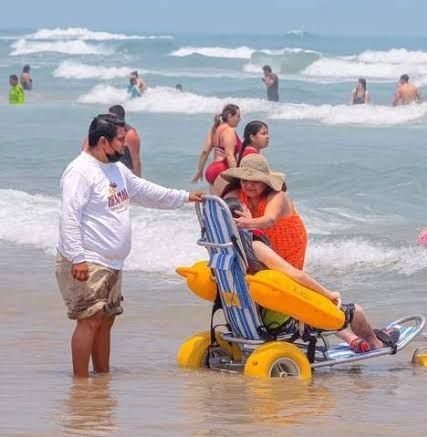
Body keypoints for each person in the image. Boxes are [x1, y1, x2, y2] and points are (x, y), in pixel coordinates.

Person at [56, 114, 203, 378]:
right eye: (121, 141)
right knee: (89, 320)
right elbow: (69, 216)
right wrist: (77, 258)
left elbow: (145, 191)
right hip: (87, 259)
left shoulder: (116, 169)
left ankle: (101, 377)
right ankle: (80, 384)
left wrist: (185, 197)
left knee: (106, 321)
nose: (125, 146)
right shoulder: (80, 172)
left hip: (112, 261)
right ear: (103, 141)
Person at [224, 198, 400, 352]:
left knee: (321, 307)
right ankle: (377, 344)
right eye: (247, 209)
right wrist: (328, 294)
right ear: (241, 214)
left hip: (249, 319)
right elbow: (295, 275)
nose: (251, 212)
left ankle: (352, 339)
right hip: (280, 321)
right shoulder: (254, 246)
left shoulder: (224, 249)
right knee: (356, 311)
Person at [219, 154, 308, 270]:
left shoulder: (277, 195)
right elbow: (221, 210)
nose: (248, 185)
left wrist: (247, 222)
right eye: (244, 181)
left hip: (289, 240)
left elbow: (270, 220)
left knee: (288, 275)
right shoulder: (236, 194)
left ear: (265, 182)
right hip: (262, 241)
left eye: (255, 181)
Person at [191, 104, 242, 188]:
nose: (240, 119)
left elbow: (205, 151)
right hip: (223, 170)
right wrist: (237, 176)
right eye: (238, 116)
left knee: (216, 200)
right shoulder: (229, 130)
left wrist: (200, 171)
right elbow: (229, 156)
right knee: (231, 200)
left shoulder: (214, 129)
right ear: (230, 116)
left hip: (211, 170)